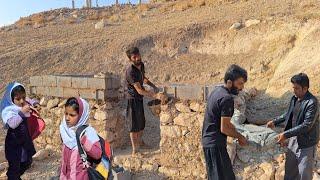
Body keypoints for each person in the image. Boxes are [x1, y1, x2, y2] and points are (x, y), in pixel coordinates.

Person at [266, 73, 319, 180]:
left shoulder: (312, 102)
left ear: (305, 88)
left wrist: (285, 134)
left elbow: (307, 125)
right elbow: (288, 114)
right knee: (290, 171)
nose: (294, 90)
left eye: (297, 88)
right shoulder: (295, 98)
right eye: (293, 87)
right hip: (293, 139)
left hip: (306, 143)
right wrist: (275, 122)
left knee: (303, 173)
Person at [201, 64, 249, 180]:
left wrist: (236, 131)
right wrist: (240, 137)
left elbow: (223, 123)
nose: (242, 88)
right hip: (215, 144)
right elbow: (224, 128)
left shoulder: (217, 91)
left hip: (210, 142)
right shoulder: (226, 99)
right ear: (229, 82)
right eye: (240, 83)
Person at [125, 46, 163, 157]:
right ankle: (134, 151)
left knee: (141, 123)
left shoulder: (141, 65)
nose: (137, 58)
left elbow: (143, 78)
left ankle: (140, 143)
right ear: (130, 59)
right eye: (134, 57)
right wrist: (154, 95)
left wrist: (153, 85)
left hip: (139, 99)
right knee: (133, 125)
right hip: (132, 99)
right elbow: (139, 90)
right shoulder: (130, 72)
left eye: (138, 55)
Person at [0, 82, 38, 180]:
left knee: (26, 161)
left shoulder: (22, 102)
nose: (22, 101)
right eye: (18, 99)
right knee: (15, 164)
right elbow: (12, 124)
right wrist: (21, 113)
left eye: (23, 98)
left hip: (23, 140)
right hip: (14, 143)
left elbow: (29, 100)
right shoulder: (9, 110)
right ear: (11, 99)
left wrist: (35, 103)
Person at [59, 97, 102, 179]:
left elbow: (97, 154)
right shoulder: (64, 130)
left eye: (72, 115)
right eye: (66, 113)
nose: (67, 118)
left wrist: (83, 139)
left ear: (82, 115)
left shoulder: (88, 132)